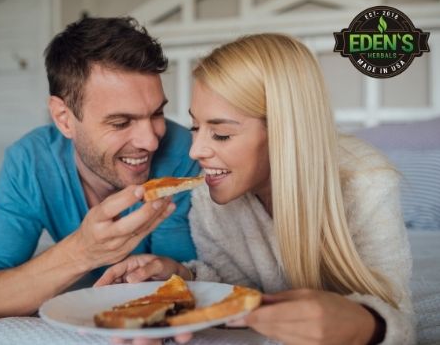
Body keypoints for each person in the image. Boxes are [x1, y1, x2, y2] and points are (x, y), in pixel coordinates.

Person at [97, 33, 415, 345]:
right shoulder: (207, 197)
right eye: (195, 127)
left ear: (284, 132)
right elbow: (232, 284)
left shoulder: (367, 182)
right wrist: (182, 276)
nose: (195, 152)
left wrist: (363, 326)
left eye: (220, 133)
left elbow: (399, 318)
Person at [0, 17, 199, 318]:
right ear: (64, 118)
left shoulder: (186, 153)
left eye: (156, 113)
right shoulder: (31, 162)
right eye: (121, 122)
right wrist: (83, 251)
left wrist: (176, 272)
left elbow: (195, 277)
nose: (151, 141)